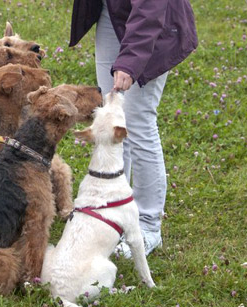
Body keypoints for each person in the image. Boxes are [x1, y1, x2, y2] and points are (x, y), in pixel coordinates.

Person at [69, 0, 198, 257]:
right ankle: (114, 212)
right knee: (112, 115)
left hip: (153, 23)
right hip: (112, 9)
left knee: (137, 123)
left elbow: (150, 9)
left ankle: (148, 226)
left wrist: (129, 62)